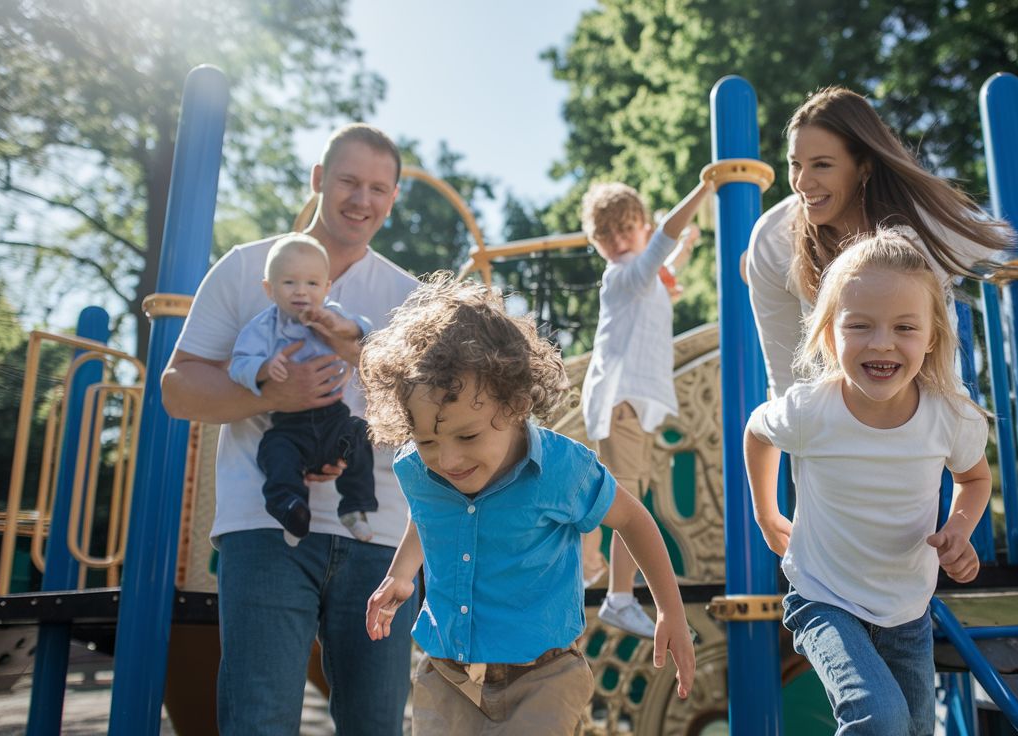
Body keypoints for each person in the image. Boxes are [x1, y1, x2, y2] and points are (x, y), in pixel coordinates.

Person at [161, 123, 421, 734]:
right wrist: (270, 392)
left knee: (375, 724)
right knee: (258, 719)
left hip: (378, 534)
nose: (362, 200)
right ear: (318, 180)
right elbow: (176, 388)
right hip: (265, 526)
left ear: (393, 197)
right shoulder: (247, 267)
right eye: (349, 182)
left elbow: (423, 415)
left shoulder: (406, 295)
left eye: (378, 188)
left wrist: (360, 357)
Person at [358, 275, 695, 734]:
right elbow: (429, 512)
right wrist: (400, 573)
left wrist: (669, 610)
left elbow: (633, 520)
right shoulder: (419, 468)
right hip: (446, 674)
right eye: (427, 441)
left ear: (515, 404)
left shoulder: (561, 470)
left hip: (544, 677)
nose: (448, 459)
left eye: (468, 436)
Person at [744, 230, 992, 734]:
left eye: (904, 326)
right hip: (823, 597)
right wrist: (766, 512)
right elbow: (756, 430)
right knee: (879, 719)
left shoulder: (950, 416)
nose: (882, 342)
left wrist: (959, 528)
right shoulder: (812, 410)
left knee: (916, 730)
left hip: (908, 610)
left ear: (932, 337)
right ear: (831, 335)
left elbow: (974, 478)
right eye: (860, 325)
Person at [746, 85, 1013, 395]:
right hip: (836, 419)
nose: (802, 183)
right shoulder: (775, 240)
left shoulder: (921, 226)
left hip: (925, 406)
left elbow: (997, 244)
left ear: (864, 166)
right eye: (795, 164)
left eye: (822, 164)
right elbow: (785, 374)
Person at [577, 179, 712, 638]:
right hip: (621, 403)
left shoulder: (641, 278)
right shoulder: (622, 275)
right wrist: (699, 193)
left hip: (627, 403)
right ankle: (618, 595)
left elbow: (666, 277)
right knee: (628, 503)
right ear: (597, 243)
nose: (618, 242)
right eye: (607, 236)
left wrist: (687, 249)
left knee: (619, 497)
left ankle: (590, 565)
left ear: (642, 225)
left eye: (626, 230)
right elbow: (661, 247)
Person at [228, 234, 377, 546]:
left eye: (311, 283)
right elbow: (239, 364)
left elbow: (362, 326)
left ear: (326, 287)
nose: (301, 291)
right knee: (275, 454)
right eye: (289, 283)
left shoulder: (331, 313)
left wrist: (339, 326)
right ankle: (291, 511)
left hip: (333, 417)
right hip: (289, 424)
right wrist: (264, 368)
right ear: (269, 289)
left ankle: (354, 508)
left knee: (359, 434)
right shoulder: (263, 327)